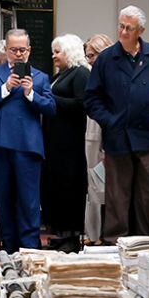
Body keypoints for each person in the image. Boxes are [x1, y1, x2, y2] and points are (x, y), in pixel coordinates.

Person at [85, 6, 149, 242]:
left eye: (128, 28)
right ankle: (115, 243)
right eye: (120, 26)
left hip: (148, 137)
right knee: (117, 197)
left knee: (146, 196)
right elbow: (91, 99)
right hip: (117, 136)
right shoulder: (106, 59)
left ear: (140, 30)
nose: (122, 32)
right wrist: (108, 121)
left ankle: (144, 243)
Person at [0, 28, 56, 252]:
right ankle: (9, 247)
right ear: (6, 50)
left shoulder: (40, 77)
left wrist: (31, 93)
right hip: (0, 145)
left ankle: (30, 248)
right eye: (13, 50)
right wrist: (5, 88)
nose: (18, 54)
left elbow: (51, 108)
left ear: (29, 51)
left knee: (29, 201)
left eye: (22, 50)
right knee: (4, 198)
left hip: (28, 147)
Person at [42, 33, 89, 252]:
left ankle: (72, 235)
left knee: (70, 188)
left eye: (57, 51)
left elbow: (81, 105)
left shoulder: (80, 74)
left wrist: (52, 99)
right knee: (57, 188)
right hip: (55, 143)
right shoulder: (59, 76)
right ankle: (61, 233)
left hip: (70, 144)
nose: (53, 56)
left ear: (69, 52)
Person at [83, 33, 112, 245]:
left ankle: (101, 236)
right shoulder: (92, 76)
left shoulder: (109, 79)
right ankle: (93, 235)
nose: (89, 60)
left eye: (92, 55)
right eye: (87, 56)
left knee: (101, 189)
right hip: (90, 136)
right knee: (92, 189)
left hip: (100, 138)